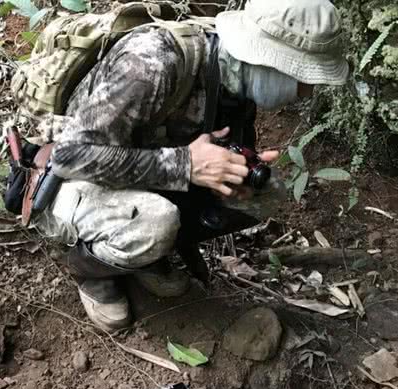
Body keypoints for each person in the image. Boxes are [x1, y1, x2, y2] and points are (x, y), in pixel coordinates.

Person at [32, 0, 349, 330]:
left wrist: (234, 167)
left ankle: (148, 253)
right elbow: (69, 157)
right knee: (156, 223)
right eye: (304, 79)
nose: (307, 93)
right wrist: (185, 166)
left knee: (265, 193)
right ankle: (90, 269)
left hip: (136, 165)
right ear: (270, 61)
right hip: (66, 179)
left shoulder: (236, 79)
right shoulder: (152, 64)